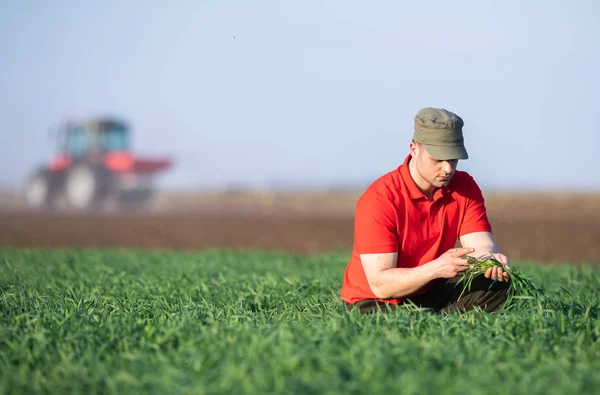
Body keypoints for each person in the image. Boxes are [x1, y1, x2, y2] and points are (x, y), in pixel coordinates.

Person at [340, 107, 510, 314]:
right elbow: (381, 285)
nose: (447, 168)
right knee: (397, 320)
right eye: (438, 159)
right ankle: (438, 324)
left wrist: (490, 260)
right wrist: (437, 268)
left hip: (427, 290)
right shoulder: (380, 199)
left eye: (453, 159)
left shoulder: (465, 187)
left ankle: (438, 325)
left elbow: (481, 244)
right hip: (375, 301)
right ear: (414, 149)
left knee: (494, 285)